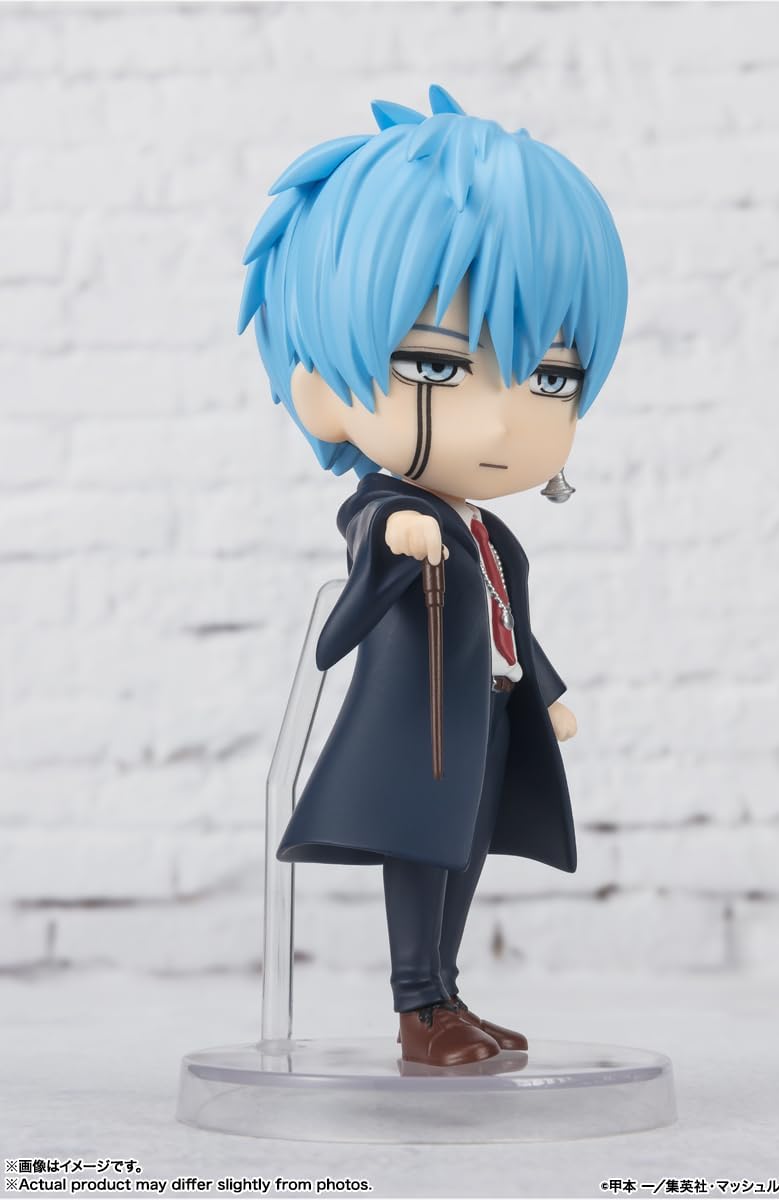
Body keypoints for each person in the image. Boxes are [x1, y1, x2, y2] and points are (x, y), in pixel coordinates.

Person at [239, 85, 628, 1067]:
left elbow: (507, 622)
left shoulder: (491, 534)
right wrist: (399, 532)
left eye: (549, 378)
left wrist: (545, 694)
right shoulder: (392, 512)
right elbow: (372, 529)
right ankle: (418, 1006)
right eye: (440, 368)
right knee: (421, 852)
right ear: (322, 396)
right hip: (421, 729)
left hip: (484, 717)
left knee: (464, 854)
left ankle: (447, 994)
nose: (503, 419)